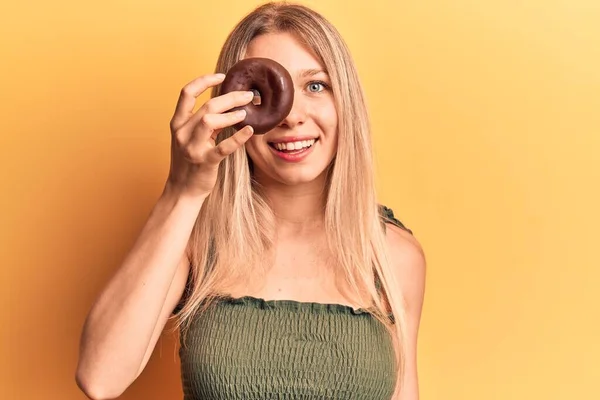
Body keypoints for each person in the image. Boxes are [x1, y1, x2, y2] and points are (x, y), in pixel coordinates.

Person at [75, 2, 426, 399]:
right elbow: (100, 378)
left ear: (346, 101)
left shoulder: (391, 254)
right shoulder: (196, 238)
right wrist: (182, 189)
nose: (291, 116)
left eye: (316, 85)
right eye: (261, 92)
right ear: (230, 109)